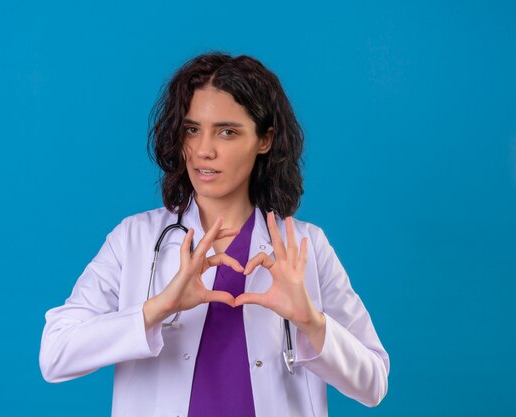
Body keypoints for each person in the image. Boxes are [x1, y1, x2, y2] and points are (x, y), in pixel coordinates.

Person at [39, 52, 390, 417]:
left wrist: (310, 322)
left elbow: (374, 382)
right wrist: (159, 308)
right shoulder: (134, 240)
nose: (204, 150)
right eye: (192, 129)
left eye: (227, 132)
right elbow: (55, 354)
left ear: (265, 139)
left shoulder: (304, 246)